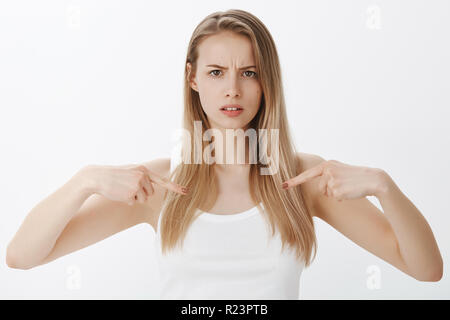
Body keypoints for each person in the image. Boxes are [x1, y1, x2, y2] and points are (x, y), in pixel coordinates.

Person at [6, 9, 443, 299]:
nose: (233, 88)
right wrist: (85, 180)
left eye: (249, 72)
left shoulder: (302, 180)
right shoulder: (160, 186)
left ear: (266, 80)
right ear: (193, 79)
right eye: (216, 72)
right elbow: (23, 256)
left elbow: (426, 269)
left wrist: (385, 186)